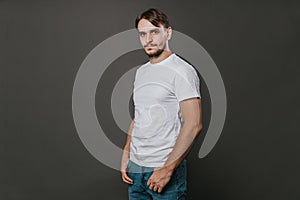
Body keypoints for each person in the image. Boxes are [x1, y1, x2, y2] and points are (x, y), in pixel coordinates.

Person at [121, 8, 202, 200]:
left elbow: (194, 125)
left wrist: (167, 169)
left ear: (168, 33)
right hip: (136, 169)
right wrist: (126, 153)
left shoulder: (182, 70)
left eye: (154, 32)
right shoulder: (141, 72)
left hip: (163, 168)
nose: (148, 39)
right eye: (142, 34)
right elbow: (139, 115)